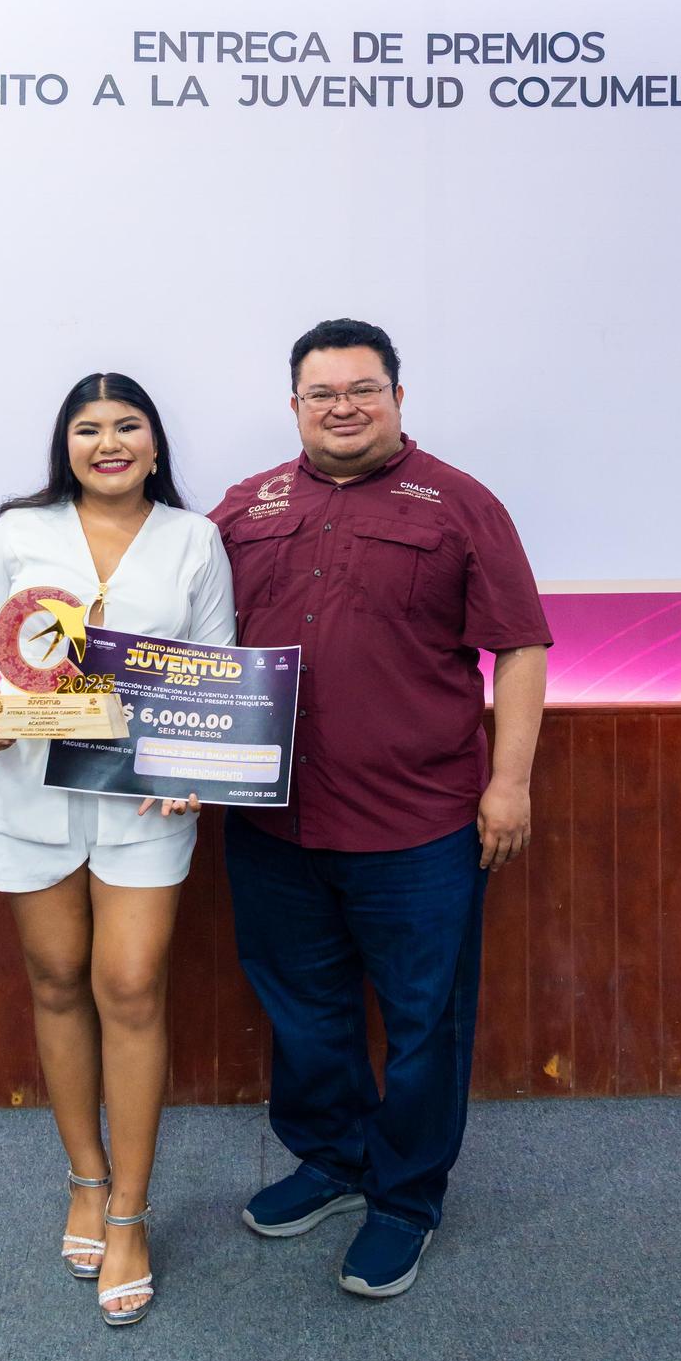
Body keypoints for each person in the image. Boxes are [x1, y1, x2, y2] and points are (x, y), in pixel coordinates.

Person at [210, 319, 551, 1299]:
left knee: (422, 1024)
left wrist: (509, 783)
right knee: (303, 1010)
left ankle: (405, 1199)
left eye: (363, 388)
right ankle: (331, 1159)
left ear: (398, 397)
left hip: (419, 827)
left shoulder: (460, 503)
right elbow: (184, 637)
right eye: (322, 393)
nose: (343, 407)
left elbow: (520, 647)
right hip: (274, 824)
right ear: (295, 406)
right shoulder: (246, 507)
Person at [0, 372, 235, 1327]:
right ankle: (84, 1178)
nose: (108, 442)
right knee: (59, 978)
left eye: (127, 425)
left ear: (154, 444)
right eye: (88, 428)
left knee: (131, 986)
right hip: (27, 791)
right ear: (64, 445)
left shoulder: (194, 540)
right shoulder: (17, 533)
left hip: (143, 805)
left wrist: (199, 758)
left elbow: (212, 670)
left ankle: (129, 1215)